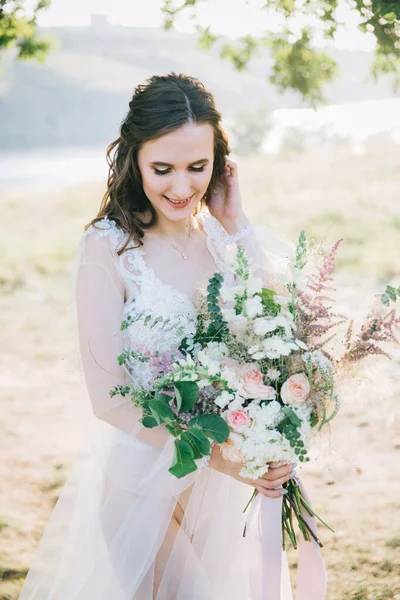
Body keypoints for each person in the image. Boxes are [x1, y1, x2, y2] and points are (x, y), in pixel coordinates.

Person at [18, 73, 327, 600]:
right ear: (133, 159)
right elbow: (106, 398)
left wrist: (236, 221)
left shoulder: (219, 240)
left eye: (197, 167)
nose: (181, 188)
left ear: (219, 162)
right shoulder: (107, 247)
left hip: (224, 493)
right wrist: (220, 456)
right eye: (162, 168)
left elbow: (282, 338)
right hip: (140, 481)